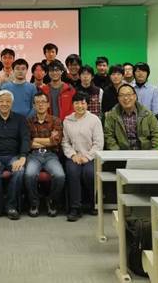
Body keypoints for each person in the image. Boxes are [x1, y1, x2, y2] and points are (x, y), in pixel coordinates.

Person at [0, 90, 30, 220]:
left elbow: (25, 139)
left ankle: (11, 206)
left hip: (14, 156)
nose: (4, 104)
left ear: (12, 103)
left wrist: (22, 157)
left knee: (19, 172)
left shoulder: (20, 119)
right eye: (1, 101)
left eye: (8, 101)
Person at [62, 92, 104, 222]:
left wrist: (87, 157)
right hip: (74, 156)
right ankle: (75, 208)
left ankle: (93, 202)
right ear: (73, 104)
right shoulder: (67, 120)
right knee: (73, 172)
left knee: (89, 173)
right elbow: (65, 142)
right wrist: (73, 155)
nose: (80, 106)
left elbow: (99, 143)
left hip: (91, 156)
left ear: (87, 104)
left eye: (83, 103)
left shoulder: (94, 120)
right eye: (77, 103)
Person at [24, 91, 65, 218]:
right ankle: (34, 202)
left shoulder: (56, 120)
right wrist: (48, 141)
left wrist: (36, 140)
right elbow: (27, 143)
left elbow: (56, 141)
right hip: (34, 155)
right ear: (34, 106)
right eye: (37, 102)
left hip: (51, 155)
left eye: (43, 102)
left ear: (48, 104)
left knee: (60, 175)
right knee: (29, 174)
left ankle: (51, 200)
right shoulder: (28, 122)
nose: (40, 105)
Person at [103, 84, 158, 150]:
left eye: (129, 94)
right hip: (121, 153)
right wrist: (118, 154)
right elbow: (109, 137)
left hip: (144, 153)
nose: (125, 98)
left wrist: (153, 152)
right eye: (122, 95)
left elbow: (156, 135)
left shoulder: (147, 114)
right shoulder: (112, 115)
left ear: (135, 96)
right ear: (118, 98)